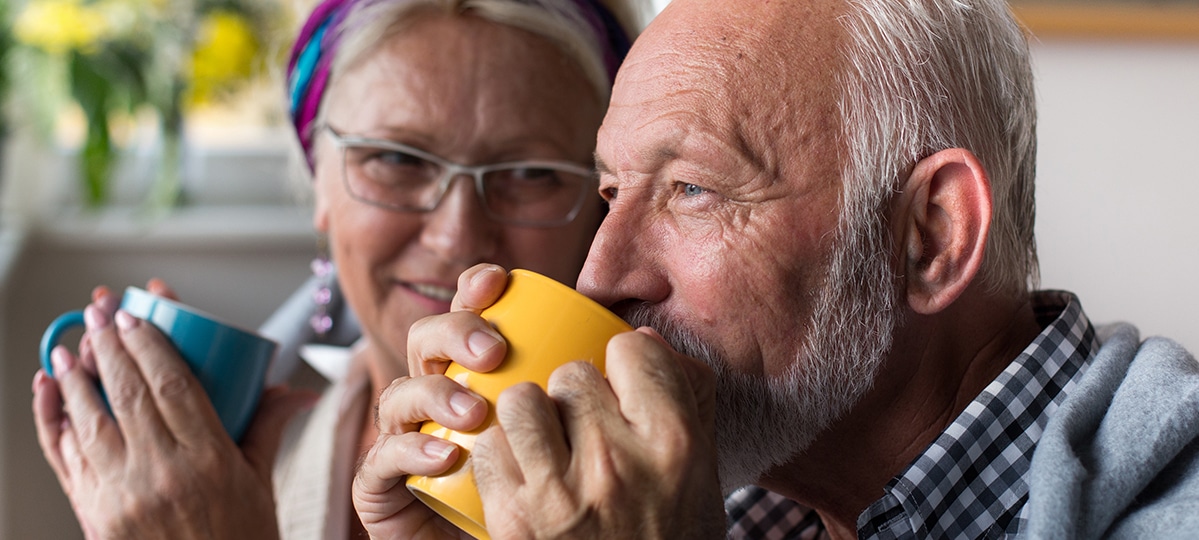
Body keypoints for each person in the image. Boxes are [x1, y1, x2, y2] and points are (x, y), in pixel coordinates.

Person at [353, 0, 1199, 538]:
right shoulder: (752, 507)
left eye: (692, 189)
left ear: (930, 237)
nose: (599, 278)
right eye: (611, 193)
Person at [29, 0, 641, 538]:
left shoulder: (665, 493)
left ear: (598, 201)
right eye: (396, 159)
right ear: (317, 178)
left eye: (531, 172)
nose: (457, 235)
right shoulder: (221, 467)